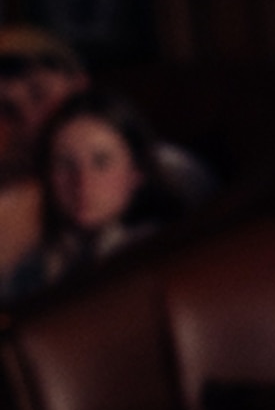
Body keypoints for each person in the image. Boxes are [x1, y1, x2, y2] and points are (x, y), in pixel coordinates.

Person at [1, 87, 193, 303]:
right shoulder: (35, 263)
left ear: (135, 173)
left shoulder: (158, 251)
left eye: (101, 163)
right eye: (64, 164)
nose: (82, 182)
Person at [0, 25, 88, 288]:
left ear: (80, 88)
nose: (28, 121)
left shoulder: (160, 166)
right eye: (5, 109)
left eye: (40, 95)